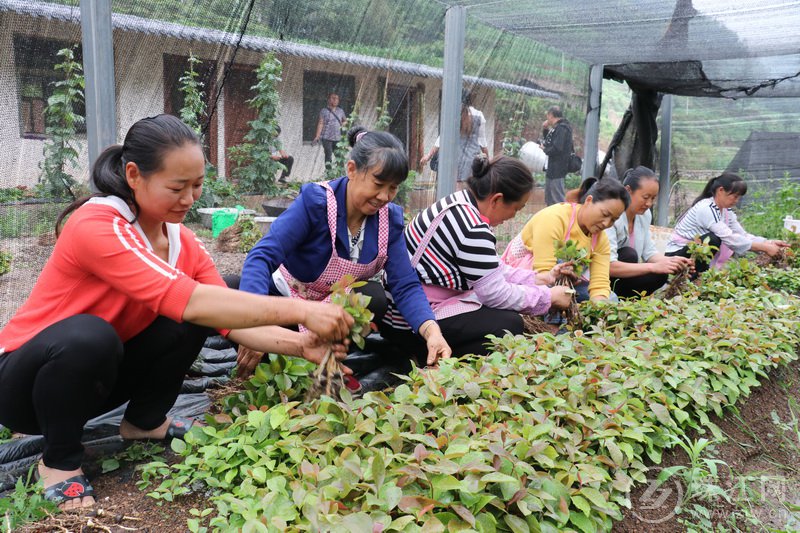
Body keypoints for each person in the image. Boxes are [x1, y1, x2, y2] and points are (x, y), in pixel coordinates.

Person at [0, 115, 354, 511]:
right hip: (26, 387)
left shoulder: (181, 240)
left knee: (193, 316)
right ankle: (60, 462)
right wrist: (302, 307)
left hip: (95, 382)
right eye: (177, 187)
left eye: (197, 185)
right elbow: (184, 296)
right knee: (90, 334)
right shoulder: (97, 224)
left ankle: (144, 421)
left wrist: (302, 343)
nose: (190, 199)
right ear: (134, 175)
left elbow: (225, 316)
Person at [239, 126, 451, 378]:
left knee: (373, 297)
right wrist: (255, 325)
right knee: (227, 309)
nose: (384, 196)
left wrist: (431, 331)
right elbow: (261, 257)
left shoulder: (388, 219)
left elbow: (404, 284)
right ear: (352, 170)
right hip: (285, 303)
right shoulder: (316, 203)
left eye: (393, 188)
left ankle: (326, 355)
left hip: (330, 317)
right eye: (378, 183)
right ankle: (283, 347)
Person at [382, 155, 573, 360]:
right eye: (515, 209)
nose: (513, 216)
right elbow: (495, 293)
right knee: (508, 325)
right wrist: (548, 297)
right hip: (411, 322)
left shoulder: (460, 204)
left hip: (401, 312)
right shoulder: (472, 226)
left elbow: (491, 269)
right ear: (497, 199)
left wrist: (542, 279)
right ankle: (426, 357)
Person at [503, 178, 630, 302]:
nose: (606, 223)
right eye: (605, 214)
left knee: (611, 299)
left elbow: (599, 285)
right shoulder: (554, 218)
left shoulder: (601, 239)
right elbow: (544, 273)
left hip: (564, 283)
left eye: (613, 219)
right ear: (589, 200)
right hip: (529, 277)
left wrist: (600, 310)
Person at [665, 172, 789, 272]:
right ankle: (695, 276)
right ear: (721, 191)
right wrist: (765, 248)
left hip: (693, 253)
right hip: (677, 255)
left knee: (715, 239)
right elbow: (729, 238)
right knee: (713, 239)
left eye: (739, 197)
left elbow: (742, 235)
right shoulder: (706, 208)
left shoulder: (726, 211)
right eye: (734, 196)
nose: (736, 200)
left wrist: (769, 242)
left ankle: (700, 275)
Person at [607, 166, 693, 297]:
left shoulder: (644, 215)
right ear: (628, 190)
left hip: (622, 279)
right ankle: (614, 297)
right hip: (603, 276)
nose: (649, 203)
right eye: (645, 197)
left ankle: (625, 300)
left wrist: (673, 262)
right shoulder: (612, 217)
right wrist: (652, 267)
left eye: (653, 198)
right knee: (629, 254)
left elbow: (649, 252)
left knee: (660, 275)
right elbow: (609, 265)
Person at [419, 91, 488, 185]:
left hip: (455, 159)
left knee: (455, 188)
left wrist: (428, 156)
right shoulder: (479, 115)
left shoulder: (453, 114)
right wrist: (488, 161)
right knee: (468, 188)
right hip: (471, 161)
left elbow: (442, 138)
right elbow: (482, 142)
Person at [540, 105, 575, 206]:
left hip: (558, 168)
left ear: (551, 115)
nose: (547, 119)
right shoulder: (557, 128)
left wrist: (545, 149)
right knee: (549, 197)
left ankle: (562, 218)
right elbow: (550, 141)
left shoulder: (562, 128)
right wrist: (545, 129)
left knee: (557, 198)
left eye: (547, 116)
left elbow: (557, 148)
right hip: (552, 167)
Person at [313, 92, 346, 165]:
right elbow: (321, 123)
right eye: (333, 98)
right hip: (326, 138)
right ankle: (329, 174)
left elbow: (345, 121)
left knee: (339, 157)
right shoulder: (324, 111)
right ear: (328, 100)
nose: (335, 100)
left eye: (337, 98)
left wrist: (342, 125)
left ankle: (341, 173)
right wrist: (317, 136)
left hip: (338, 138)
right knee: (328, 157)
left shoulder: (341, 111)